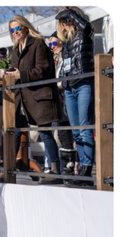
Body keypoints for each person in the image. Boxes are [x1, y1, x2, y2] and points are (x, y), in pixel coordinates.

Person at [5, 15, 63, 184]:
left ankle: (55, 170)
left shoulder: (38, 44)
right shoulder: (16, 49)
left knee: (45, 133)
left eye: (18, 28)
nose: (15, 32)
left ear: (25, 27)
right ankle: (8, 168)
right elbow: (16, 71)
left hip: (39, 96)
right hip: (22, 98)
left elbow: (42, 70)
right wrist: (8, 74)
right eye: (12, 30)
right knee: (14, 131)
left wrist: (19, 75)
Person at [56, 6, 95, 186]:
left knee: (85, 126)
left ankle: (87, 168)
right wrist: (64, 82)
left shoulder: (84, 34)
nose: (66, 23)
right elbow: (66, 65)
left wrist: (69, 12)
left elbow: (86, 26)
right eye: (63, 21)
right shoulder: (65, 43)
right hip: (70, 87)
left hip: (83, 83)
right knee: (76, 130)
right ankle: (82, 169)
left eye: (68, 19)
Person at [49, 31, 78, 179]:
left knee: (72, 132)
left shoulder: (67, 58)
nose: (52, 47)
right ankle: (67, 165)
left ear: (61, 43)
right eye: (50, 44)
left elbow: (65, 79)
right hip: (58, 101)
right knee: (61, 134)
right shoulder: (54, 60)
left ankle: (75, 164)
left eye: (54, 43)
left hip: (67, 97)